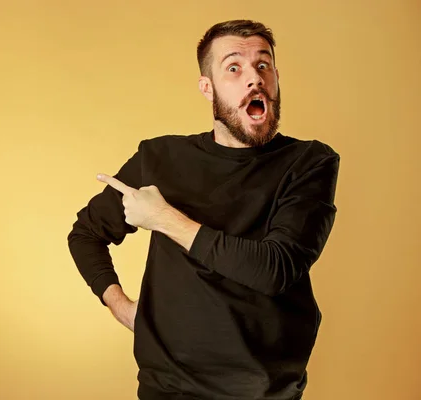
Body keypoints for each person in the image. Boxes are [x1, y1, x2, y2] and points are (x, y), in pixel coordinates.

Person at [67, 19, 340, 400]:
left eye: (263, 65)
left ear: (276, 77)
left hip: (263, 391)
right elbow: (85, 235)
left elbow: (274, 269)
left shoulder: (309, 162)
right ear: (206, 87)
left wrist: (164, 218)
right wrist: (120, 305)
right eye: (234, 68)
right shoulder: (159, 158)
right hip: (168, 388)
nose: (254, 79)